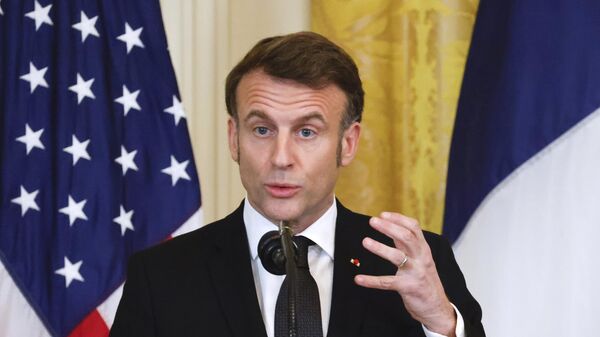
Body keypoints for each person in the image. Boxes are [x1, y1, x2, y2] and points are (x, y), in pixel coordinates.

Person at [110, 31, 484, 337]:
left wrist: (441, 324)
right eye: (261, 129)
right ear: (234, 137)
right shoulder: (162, 276)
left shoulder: (410, 263)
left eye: (307, 131)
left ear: (348, 143)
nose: (281, 157)